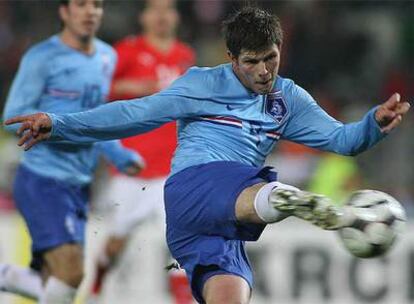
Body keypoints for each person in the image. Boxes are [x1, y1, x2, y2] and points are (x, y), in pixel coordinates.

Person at [4, 6, 411, 304]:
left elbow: (342, 141)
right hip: (195, 188)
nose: (265, 71)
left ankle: (285, 201)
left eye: (271, 57)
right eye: (252, 62)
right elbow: (133, 114)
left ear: (279, 46)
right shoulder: (201, 84)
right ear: (231, 59)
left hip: (219, 227)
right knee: (263, 188)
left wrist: (373, 124)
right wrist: (59, 124)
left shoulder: (289, 100)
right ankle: (319, 209)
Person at [0, 0, 142, 303]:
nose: (90, 12)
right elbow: (12, 117)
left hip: (80, 183)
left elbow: (95, 119)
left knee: (55, 283)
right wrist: (54, 128)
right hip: (43, 179)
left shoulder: (107, 56)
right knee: (72, 271)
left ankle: (8, 276)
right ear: (64, 12)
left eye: (97, 5)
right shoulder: (42, 57)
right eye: (81, 4)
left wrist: (117, 154)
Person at [90, 0, 195, 302]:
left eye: (168, 9)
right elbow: (98, 90)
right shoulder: (127, 50)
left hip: (173, 170)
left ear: (176, 16)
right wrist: (135, 86)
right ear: (144, 16)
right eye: (155, 9)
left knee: (183, 242)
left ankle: (183, 298)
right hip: (133, 168)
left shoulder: (184, 56)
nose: (162, 16)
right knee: (116, 243)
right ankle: (94, 288)